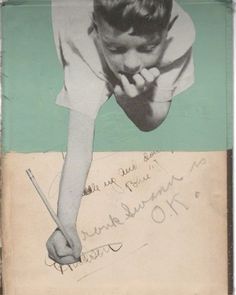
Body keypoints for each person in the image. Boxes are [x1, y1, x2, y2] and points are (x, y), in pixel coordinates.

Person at [47, 0, 195, 265]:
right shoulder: (79, 35)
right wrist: (65, 223)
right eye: (115, 48)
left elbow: (150, 121)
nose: (130, 63)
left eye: (148, 47)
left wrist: (129, 100)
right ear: (95, 28)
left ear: (167, 29)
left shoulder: (179, 34)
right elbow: (79, 147)